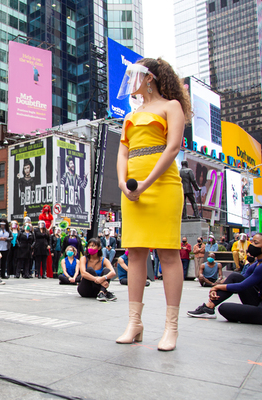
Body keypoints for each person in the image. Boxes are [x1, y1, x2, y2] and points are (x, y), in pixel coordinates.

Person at [115, 57, 191, 351]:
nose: (131, 81)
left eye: (135, 75)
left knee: (169, 253)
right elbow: (123, 153)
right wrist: (123, 183)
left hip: (163, 187)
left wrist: (145, 184)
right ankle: (135, 323)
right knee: (135, 253)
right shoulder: (131, 115)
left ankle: (171, 328)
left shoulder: (171, 107)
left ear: (149, 78)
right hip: (132, 189)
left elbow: (172, 148)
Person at [187, 232, 262, 323]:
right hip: (257, 301)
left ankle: (209, 307)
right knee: (235, 276)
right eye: (252, 242)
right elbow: (238, 280)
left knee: (224, 308)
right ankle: (209, 307)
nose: (251, 245)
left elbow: (241, 286)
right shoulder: (255, 265)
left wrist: (216, 287)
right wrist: (220, 285)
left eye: (256, 243)